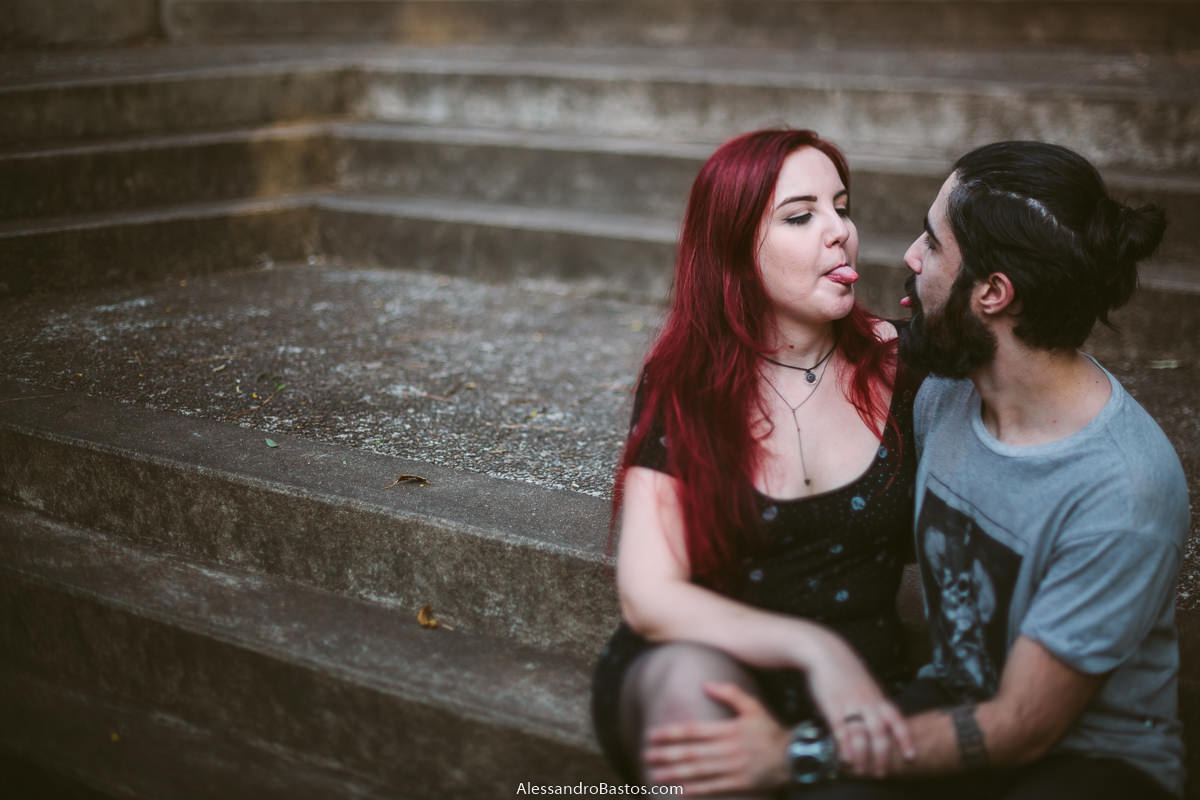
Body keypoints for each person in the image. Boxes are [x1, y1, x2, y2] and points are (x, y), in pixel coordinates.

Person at [642, 140, 1190, 799]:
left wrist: (792, 752)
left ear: (993, 292)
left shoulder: (1121, 491)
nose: (908, 255)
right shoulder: (944, 396)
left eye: (932, 242)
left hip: (1091, 762)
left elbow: (1024, 728)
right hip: (953, 698)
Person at [590, 128, 925, 795]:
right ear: (737, 251)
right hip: (713, 660)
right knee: (689, 694)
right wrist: (815, 648)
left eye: (842, 208)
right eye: (801, 217)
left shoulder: (905, 365)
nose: (840, 232)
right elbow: (649, 594)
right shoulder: (686, 379)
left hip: (864, 681)